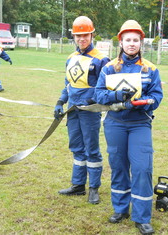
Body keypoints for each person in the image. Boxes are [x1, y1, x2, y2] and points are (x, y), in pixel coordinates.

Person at [94, 20, 163, 234]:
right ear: (121, 42)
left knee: (142, 168)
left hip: (140, 124)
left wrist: (145, 102)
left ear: (141, 42)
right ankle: (121, 209)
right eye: (127, 40)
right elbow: (98, 95)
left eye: (135, 40)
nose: (131, 44)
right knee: (118, 166)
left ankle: (142, 217)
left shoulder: (150, 68)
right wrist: (117, 96)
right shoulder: (108, 68)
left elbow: (157, 96)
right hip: (115, 123)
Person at [54, 16, 110, 204]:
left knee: (91, 150)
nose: (81, 39)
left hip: (89, 111)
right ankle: (78, 185)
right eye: (78, 36)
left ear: (92, 34)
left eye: (85, 35)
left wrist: (90, 98)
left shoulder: (102, 60)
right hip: (72, 110)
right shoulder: (71, 58)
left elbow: (106, 88)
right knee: (76, 147)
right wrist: (60, 101)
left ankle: (94, 187)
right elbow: (68, 83)